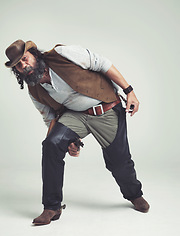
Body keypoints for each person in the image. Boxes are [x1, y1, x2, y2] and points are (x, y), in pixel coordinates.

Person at [5, 39, 150, 225]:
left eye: (25, 59)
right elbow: (50, 119)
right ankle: (52, 207)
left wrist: (129, 91)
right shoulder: (34, 90)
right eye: (18, 66)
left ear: (34, 54)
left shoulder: (62, 54)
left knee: (119, 162)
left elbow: (102, 63)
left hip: (105, 108)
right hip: (75, 116)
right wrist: (68, 141)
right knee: (51, 144)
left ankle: (134, 194)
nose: (24, 66)